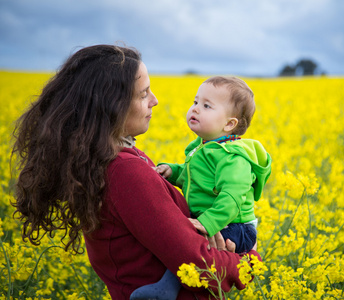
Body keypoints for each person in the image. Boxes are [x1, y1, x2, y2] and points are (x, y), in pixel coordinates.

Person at [11, 44, 261, 300]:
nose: (155, 100)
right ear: (112, 105)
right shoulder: (125, 171)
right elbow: (198, 264)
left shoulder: (109, 158)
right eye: (143, 95)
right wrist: (251, 258)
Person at [132, 76, 272, 299]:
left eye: (206, 106)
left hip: (234, 225)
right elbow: (196, 179)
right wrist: (174, 172)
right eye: (195, 102)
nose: (195, 109)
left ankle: (166, 289)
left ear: (229, 124)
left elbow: (232, 199)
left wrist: (206, 223)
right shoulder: (204, 147)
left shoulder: (233, 158)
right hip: (217, 218)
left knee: (190, 243)